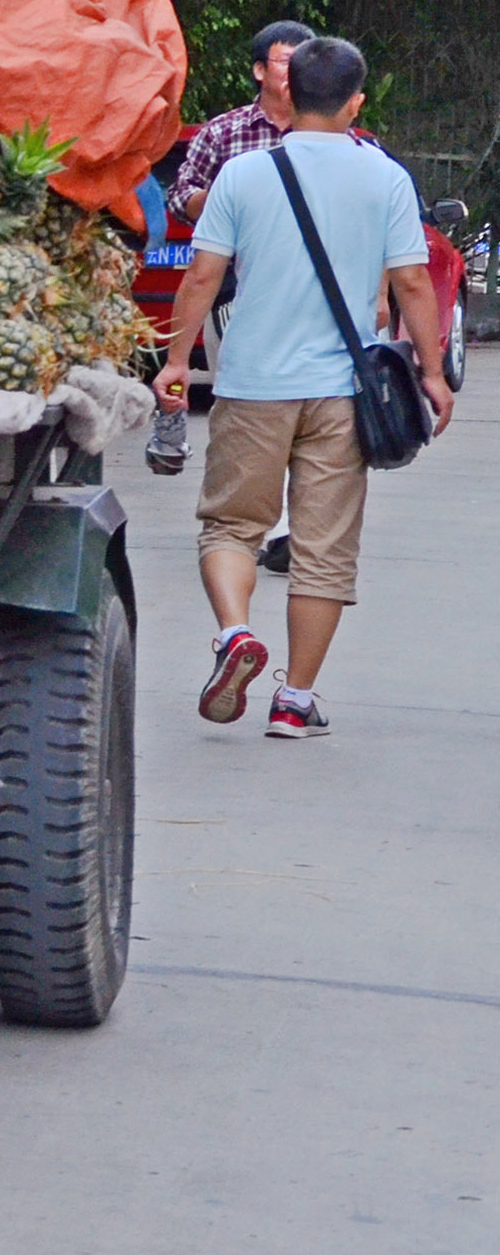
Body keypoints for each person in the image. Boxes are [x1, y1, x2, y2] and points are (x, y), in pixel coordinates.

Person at [155, 36, 453, 740]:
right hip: (340, 390)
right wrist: (433, 375)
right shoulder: (382, 177)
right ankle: (295, 700)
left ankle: (233, 635)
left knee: (230, 524)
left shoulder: (243, 174)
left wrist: (173, 362)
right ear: (356, 101)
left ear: (287, 94)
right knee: (322, 547)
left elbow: (202, 276)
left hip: (253, 381)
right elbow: (411, 281)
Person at [146, 21, 314, 476]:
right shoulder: (225, 133)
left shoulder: (326, 132)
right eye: (285, 61)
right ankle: (250, 503)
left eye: (305, 62)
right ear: (260, 70)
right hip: (238, 293)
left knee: (312, 416)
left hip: (313, 295)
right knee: (244, 406)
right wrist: (226, 196)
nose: (295, 71)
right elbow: (181, 198)